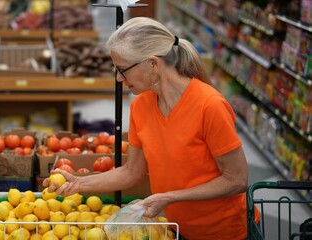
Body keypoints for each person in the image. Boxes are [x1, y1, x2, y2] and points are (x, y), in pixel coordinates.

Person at [44, 17, 259, 240]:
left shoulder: (209, 105)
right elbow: (131, 172)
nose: (118, 78)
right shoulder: (141, 105)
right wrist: (79, 182)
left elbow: (236, 179)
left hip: (225, 232)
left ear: (153, 64)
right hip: (180, 228)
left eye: (122, 69)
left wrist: (170, 197)